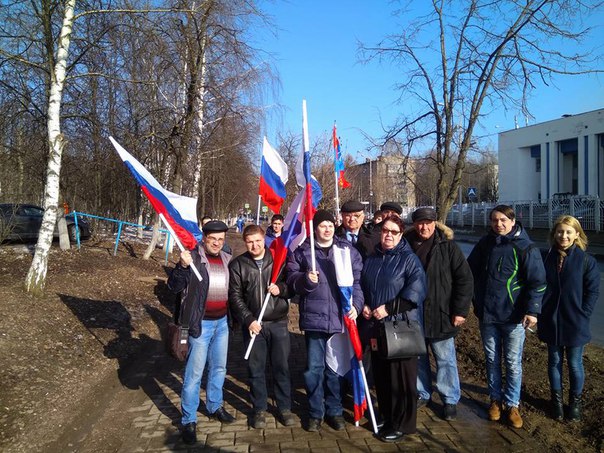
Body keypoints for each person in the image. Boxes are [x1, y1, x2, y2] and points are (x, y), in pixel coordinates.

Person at [467, 205, 546, 429]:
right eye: (494, 220)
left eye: (503, 220)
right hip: (488, 315)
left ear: (513, 221)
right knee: (492, 360)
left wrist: (532, 310)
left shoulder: (526, 248)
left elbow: (537, 282)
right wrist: (474, 300)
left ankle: (512, 404)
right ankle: (495, 401)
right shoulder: (485, 244)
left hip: (514, 318)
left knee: (512, 363)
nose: (498, 224)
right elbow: (469, 272)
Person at [286, 209, 364, 432]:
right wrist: (305, 280)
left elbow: (357, 282)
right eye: (322, 225)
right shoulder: (303, 251)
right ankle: (314, 412)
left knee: (336, 370)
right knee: (314, 369)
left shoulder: (346, 250)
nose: (327, 228)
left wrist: (356, 306)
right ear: (315, 228)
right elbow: (292, 280)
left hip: (340, 320)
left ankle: (335, 410)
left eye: (330, 224)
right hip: (315, 320)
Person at [167, 220, 235, 445]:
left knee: (219, 368)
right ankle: (188, 420)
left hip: (222, 324)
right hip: (200, 325)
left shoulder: (227, 259)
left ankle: (215, 406)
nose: (216, 243)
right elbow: (174, 287)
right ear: (204, 238)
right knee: (194, 374)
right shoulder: (193, 258)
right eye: (212, 239)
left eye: (220, 239)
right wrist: (182, 267)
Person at [360, 215, 427, 443]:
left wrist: (389, 308)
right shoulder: (373, 257)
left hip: (400, 328)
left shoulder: (409, 260)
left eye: (393, 232)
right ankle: (388, 416)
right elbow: (364, 286)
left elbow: (416, 292)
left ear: (401, 234)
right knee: (382, 376)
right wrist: (366, 306)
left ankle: (402, 424)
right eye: (385, 230)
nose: (388, 235)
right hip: (376, 328)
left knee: (401, 379)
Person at [404, 207, 473, 421]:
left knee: (445, 359)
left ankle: (449, 399)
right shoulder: (405, 245)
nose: (424, 227)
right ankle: (423, 392)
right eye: (420, 223)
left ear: (435, 223)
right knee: (418, 356)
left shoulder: (448, 247)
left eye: (428, 222)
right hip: (413, 312)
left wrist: (460, 311)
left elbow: (464, 279)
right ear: (414, 224)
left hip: (441, 312)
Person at [228, 224, 295, 429]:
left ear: (263, 239)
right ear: (245, 242)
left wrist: (280, 289)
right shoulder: (238, 265)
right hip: (254, 325)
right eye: (250, 242)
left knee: (281, 367)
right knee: (255, 369)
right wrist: (248, 319)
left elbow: (291, 284)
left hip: (278, 322)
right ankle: (259, 408)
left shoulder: (278, 260)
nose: (254, 245)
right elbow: (235, 296)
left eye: (258, 241)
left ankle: (284, 407)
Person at [538, 215, 599, 422]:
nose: (563, 236)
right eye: (560, 231)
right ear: (554, 234)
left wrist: (584, 313)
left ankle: (575, 404)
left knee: (574, 364)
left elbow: (592, 292)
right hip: (551, 321)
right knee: (553, 361)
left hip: (575, 323)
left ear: (577, 235)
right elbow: (538, 286)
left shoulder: (586, 260)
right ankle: (556, 404)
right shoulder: (545, 258)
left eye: (568, 232)